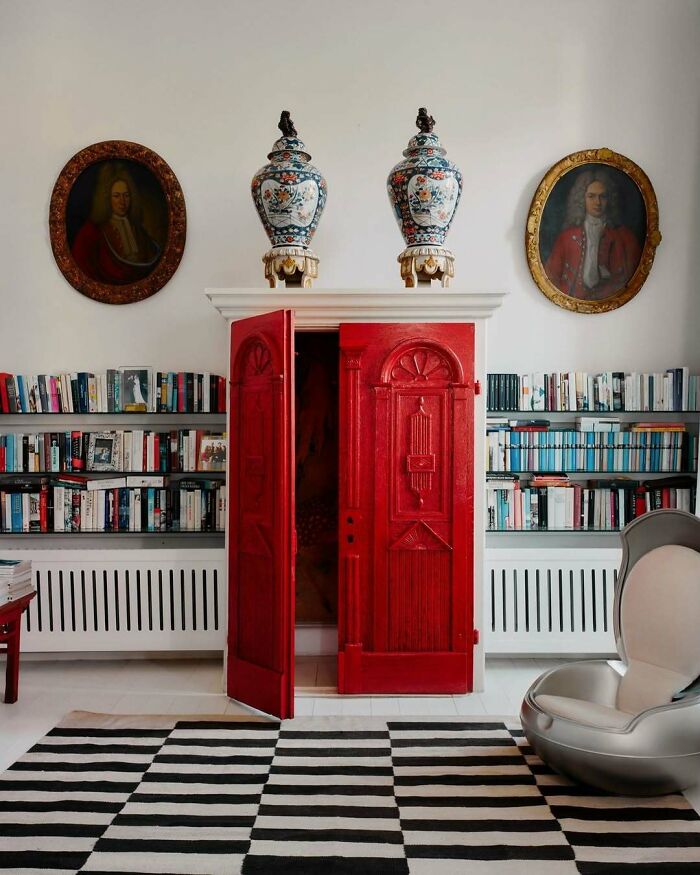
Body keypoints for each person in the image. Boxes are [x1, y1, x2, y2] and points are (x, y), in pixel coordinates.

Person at [544, 168, 642, 300]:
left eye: (603, 196)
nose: (597, 202)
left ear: (610, 199)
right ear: (581, 199)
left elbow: (632, 280)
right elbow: (551, 277)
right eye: (591, 196)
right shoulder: (566, 238)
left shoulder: (625, 237)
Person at [71, 162, 162, 284]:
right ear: (107, 198)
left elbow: (151, 257)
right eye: (116, 196)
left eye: (126, 195)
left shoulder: (138, 228)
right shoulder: (92, 231)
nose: (122, 201)